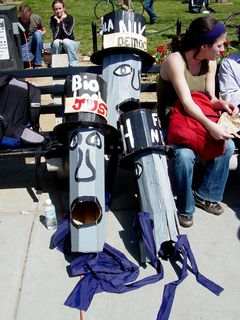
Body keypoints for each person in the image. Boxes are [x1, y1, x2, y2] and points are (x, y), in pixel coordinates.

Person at [157, 16, 238, 228]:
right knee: (184, 155)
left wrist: (222, 104)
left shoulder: (210, 61)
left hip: (197, 119)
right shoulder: (176, 60)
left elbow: (208, 99)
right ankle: (186, 206)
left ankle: (206, 194)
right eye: (219, 45)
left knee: (227, 145)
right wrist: (211, 127)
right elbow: (186, 101)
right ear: (204, 45)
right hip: (174, 122)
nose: (223, 49)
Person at [50, 0, 79, 67]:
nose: (58, 11)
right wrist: (58, 23)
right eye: (56, 9)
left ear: (64, 8)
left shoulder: (70, 18)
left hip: (70, 43)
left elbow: (68, 34)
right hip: (58, 44)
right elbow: (55, 36)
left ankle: (74, 63)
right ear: (53, 10)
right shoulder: (52, 20)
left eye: (60, 8)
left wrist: (61, 22)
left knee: (66, 41)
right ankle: (56, 63)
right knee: (56, 42)